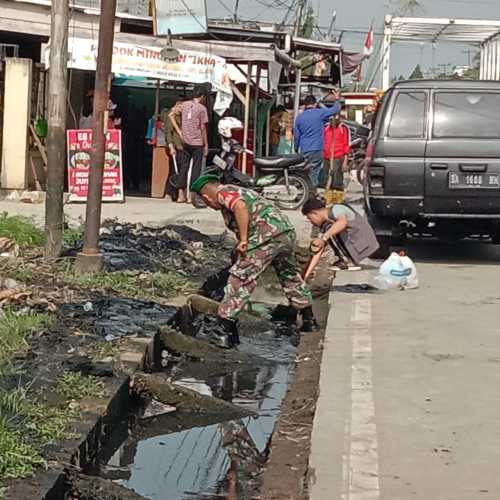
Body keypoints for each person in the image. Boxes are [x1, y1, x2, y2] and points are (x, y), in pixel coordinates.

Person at [190, 174, 316, 348]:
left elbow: (240, 208)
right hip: (284, 233)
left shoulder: (223, 193)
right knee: (289, 275)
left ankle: (223, 330)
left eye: (208, 204)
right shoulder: (238, 191)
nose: (211, 207)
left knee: (240, 279)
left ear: (206, 197)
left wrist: (243, 240)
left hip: (266, 236)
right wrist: (239, 249)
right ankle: (309, 318)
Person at [301, 197, 379, 277]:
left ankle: (348, 261)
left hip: (364, 243)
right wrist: (305, 276)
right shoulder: (326, 223)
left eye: (310, 218)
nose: (311, 222)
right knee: (327, 229)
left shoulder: (336, 209)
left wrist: (323, 238)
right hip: (357, 245)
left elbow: (342, 223)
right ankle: (345, 260)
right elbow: (318, 249)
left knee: (329, 229)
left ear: (314, 213)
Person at [293, 91, 342, 189]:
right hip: (317, 148)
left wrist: (296, 148)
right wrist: (336, 98)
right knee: (314, 171)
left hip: (304, 149)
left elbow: (297, 136)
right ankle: (311, 192)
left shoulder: (299, 118)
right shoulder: (319, 113)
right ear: (315, 104)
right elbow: (336, 109)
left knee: (305, 171)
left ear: (305, 105)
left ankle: (304, 190)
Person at [170, 85, 209, 203]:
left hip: (185, 142)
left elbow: (171, 114)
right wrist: (206, 144)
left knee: (184, 168)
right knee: (196, 169)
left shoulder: (184, 105)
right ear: (202, 96)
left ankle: (181, 195)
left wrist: (180, 132)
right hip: (197, 142)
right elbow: (202, 128)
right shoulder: (202, 109)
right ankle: (191, 195)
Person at [323, 112, 351, 192]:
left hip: (338, 158)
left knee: (336, 181)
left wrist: (345, 161)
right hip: (326, 157)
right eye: (331, 120)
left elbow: (347, 145)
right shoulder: (326, 128)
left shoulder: (344, 128)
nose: (333, 122)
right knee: (327, 180)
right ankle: (328, 198)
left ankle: (337, 198)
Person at [164, 101, 185, 201]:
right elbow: (168, 133)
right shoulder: (170, 116)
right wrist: (171, 146)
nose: (181, 110)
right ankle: (169, 192)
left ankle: (176, 193)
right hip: (175, 146)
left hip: (182, 146)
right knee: (174, 170)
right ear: (176, 105)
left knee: (181, 170)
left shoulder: (182, 116)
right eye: (180, 107)